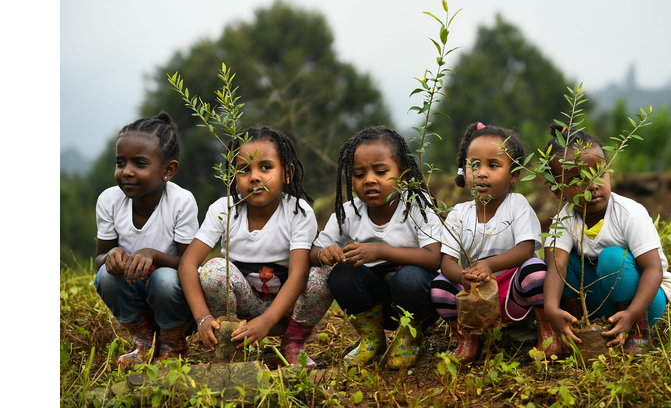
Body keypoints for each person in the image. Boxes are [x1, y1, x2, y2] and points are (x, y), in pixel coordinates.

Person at [178, 126, 332, 370]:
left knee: (323, 274)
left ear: (288, 173)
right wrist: (202, 318)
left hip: (287, 310)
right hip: (243, 307)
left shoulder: (298, 212)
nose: (254, 176)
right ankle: (229, 339)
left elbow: (299, 274)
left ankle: (293, 342)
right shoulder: (223, 210)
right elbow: (188, 264)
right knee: (213, 271)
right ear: (233, 177)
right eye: (243, 170)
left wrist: (267, 321)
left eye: (266, 167)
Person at [310, 126, 442, 370]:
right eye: (359, 174)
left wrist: (379, 251)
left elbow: (434, 258)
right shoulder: (349, 212)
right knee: (342, 273)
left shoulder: (417, 207)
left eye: (381, 171)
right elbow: (315, 250)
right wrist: (323, 253)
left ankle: (409, 338)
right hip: (378, 304)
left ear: (402, 176)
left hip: (418, 303)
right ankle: (372, 339)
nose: (370, 179)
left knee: (409, 277)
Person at [541, 124, 671, 356]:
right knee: (562, 259)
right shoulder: (563, 220)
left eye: (599, 173)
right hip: (601, 302)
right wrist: (551, 308)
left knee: (613, 258)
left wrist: (633, 315)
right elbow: (557, 269)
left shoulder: (629, 213)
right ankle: (578, 324)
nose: (592, 185)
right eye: (578, 179)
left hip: (645, 301)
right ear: (557, 190)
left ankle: (637, 332)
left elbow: (653, 269)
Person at [430, 122, 548, 363]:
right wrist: (463, 277)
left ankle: (547, 333)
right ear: (464, 171)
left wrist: (489, 265)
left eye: (493, 166)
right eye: (473, 165)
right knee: (440, 286)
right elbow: (448, 261)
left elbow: (526, 249)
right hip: (474, 296)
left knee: (535, 272)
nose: (481, 173)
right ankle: (468, 340)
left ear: (513, 175)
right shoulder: (458, 214)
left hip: (512, 296)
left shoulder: (517, 205)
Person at [93, 112, 199, 369]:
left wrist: (154, 255)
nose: (126, 172)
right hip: (135, 296)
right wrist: (112, 256)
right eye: (120, 162)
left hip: (174, 299)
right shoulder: (109, 200)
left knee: (163, 278)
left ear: (168, 170)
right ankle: (143, 342)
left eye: (140, 164)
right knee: (105, 276)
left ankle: (172, 343)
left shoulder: (181, 202)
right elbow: (98, 260)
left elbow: (190, 265)